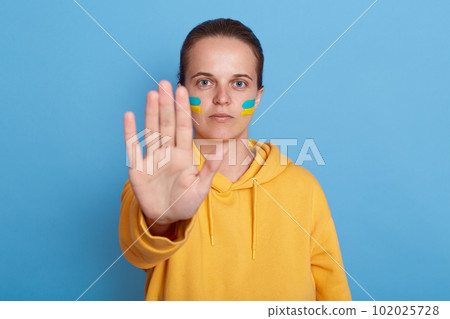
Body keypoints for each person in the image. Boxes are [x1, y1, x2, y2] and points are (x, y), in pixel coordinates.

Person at [119, 18, 351, 301]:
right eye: (205, 82)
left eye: (239, 83)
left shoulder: (304, 188)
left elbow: (334, 297)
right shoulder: (153, 177)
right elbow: (137, 252)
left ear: (258, 95)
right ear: (183, 93)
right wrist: (162, 220)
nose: (222, 98)